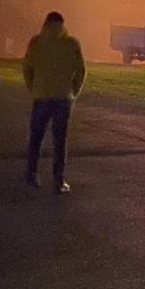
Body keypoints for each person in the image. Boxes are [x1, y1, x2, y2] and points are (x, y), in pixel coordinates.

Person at [22, 11, 86, 194]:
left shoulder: (36, 42)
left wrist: (33, 88)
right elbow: (81, 70)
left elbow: (27, 67)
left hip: (41, 96)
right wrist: (73, 91)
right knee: (60, 140)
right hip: (63, 98)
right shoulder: (71, 43)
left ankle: (31, 175)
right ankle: (59, 180)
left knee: (36, 138)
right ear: (62, 24)